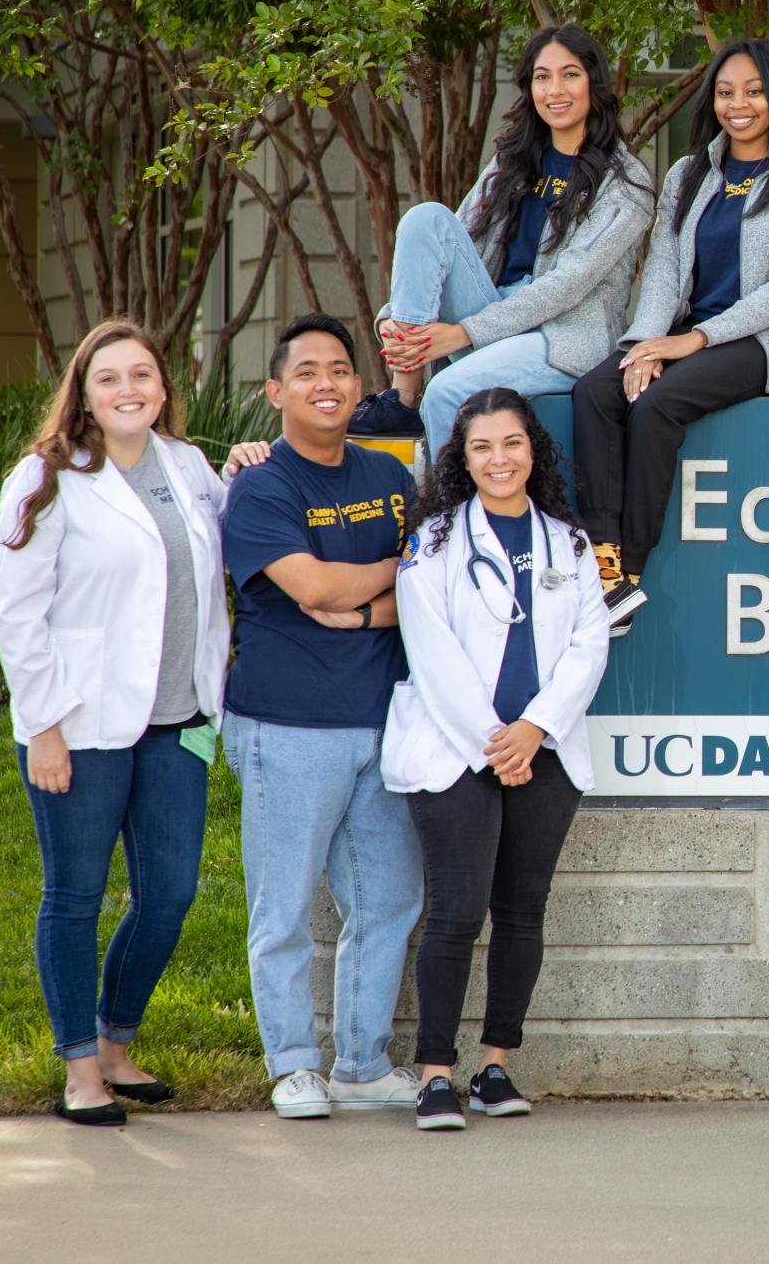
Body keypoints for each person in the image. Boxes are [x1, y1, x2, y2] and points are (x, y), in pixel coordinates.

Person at [0, 320, 233, 1126]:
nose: (128, 390)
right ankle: (81, 1068)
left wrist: (255, 464)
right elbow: (16, 614)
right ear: (84, 394)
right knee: (75, 894)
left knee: (169, 893)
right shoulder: (46, 477)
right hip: (81, 722)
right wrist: (44, 725)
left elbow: (231, 546)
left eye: (142, 376)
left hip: (178, 718)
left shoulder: (190, 467)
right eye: (109, 379)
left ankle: (118, 1038)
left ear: (164, 387)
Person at [382, 388, 610, 1130]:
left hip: (543, 751)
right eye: (482, 447)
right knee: (457, 910)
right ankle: (436, 1074)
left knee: (521, 911)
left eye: (511, 443)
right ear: (463, 456)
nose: (498, 459)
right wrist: (495, 738)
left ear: (532, 450)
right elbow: (431, 647)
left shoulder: (568, 544)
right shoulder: (434, 540)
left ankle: (495, 1064)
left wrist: (535, 729)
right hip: (458, 750)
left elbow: (590, 643)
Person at [222, 312, 424, 1120]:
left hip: (382, 720)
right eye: (307, 372)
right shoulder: (262, 484)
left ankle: (364, 1062)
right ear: (276, 391)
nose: (327, 383)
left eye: (340, 369)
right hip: (287, 723)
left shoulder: (389, 476)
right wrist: (385, 571)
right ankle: (294, 1062)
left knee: (388, 900)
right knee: (284, 906)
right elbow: (312, 589)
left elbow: (425, 588)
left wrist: (375, 606)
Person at [571, 38, 769, 635]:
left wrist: (694, 342)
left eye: (754, 91)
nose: (738, 105)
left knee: (658, 404)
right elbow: (663, 271)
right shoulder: (691, 173)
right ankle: (604, 564)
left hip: (767, 342)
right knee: (596, 392)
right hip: (690, 335)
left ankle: (631, 570)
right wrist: (644, 344)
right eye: (725, 92)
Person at [352, 23, 655, 454]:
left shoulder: (625, 183)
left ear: (594, 83)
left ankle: (444, 518)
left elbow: (565, 287)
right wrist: (393, 321)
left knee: (447, 392)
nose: (555, 89)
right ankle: (403, 396)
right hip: (492, 314)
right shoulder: (513, 161)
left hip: (562, 338)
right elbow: (451, 245)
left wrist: (463, 334)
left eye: (570, 74)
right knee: (427, 219)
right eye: (542, 77)